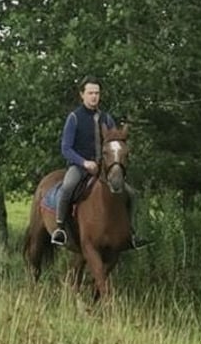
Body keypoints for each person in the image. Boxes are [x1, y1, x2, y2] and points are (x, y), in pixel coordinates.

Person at [51, 76, 149, 249]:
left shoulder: (107, 118)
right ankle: (60, 229)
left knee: (132, 194)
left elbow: (114, 142)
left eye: (97, 93)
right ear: (82, 95)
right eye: (90, 93)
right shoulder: (74, 118)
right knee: (68, 187)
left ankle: (132, 233)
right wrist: (84, 162)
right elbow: (66, 148)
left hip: (104, 168)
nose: (94, 96)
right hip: (80, 166)